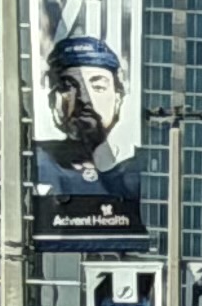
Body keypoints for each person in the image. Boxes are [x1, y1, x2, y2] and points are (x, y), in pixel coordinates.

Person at [40, 31, 136, 200]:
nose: (85, 99)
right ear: (52, 99)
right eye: (69, 87)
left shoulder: (136, 171)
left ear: (118, 98)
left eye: (98, 87)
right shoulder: (33, 163)